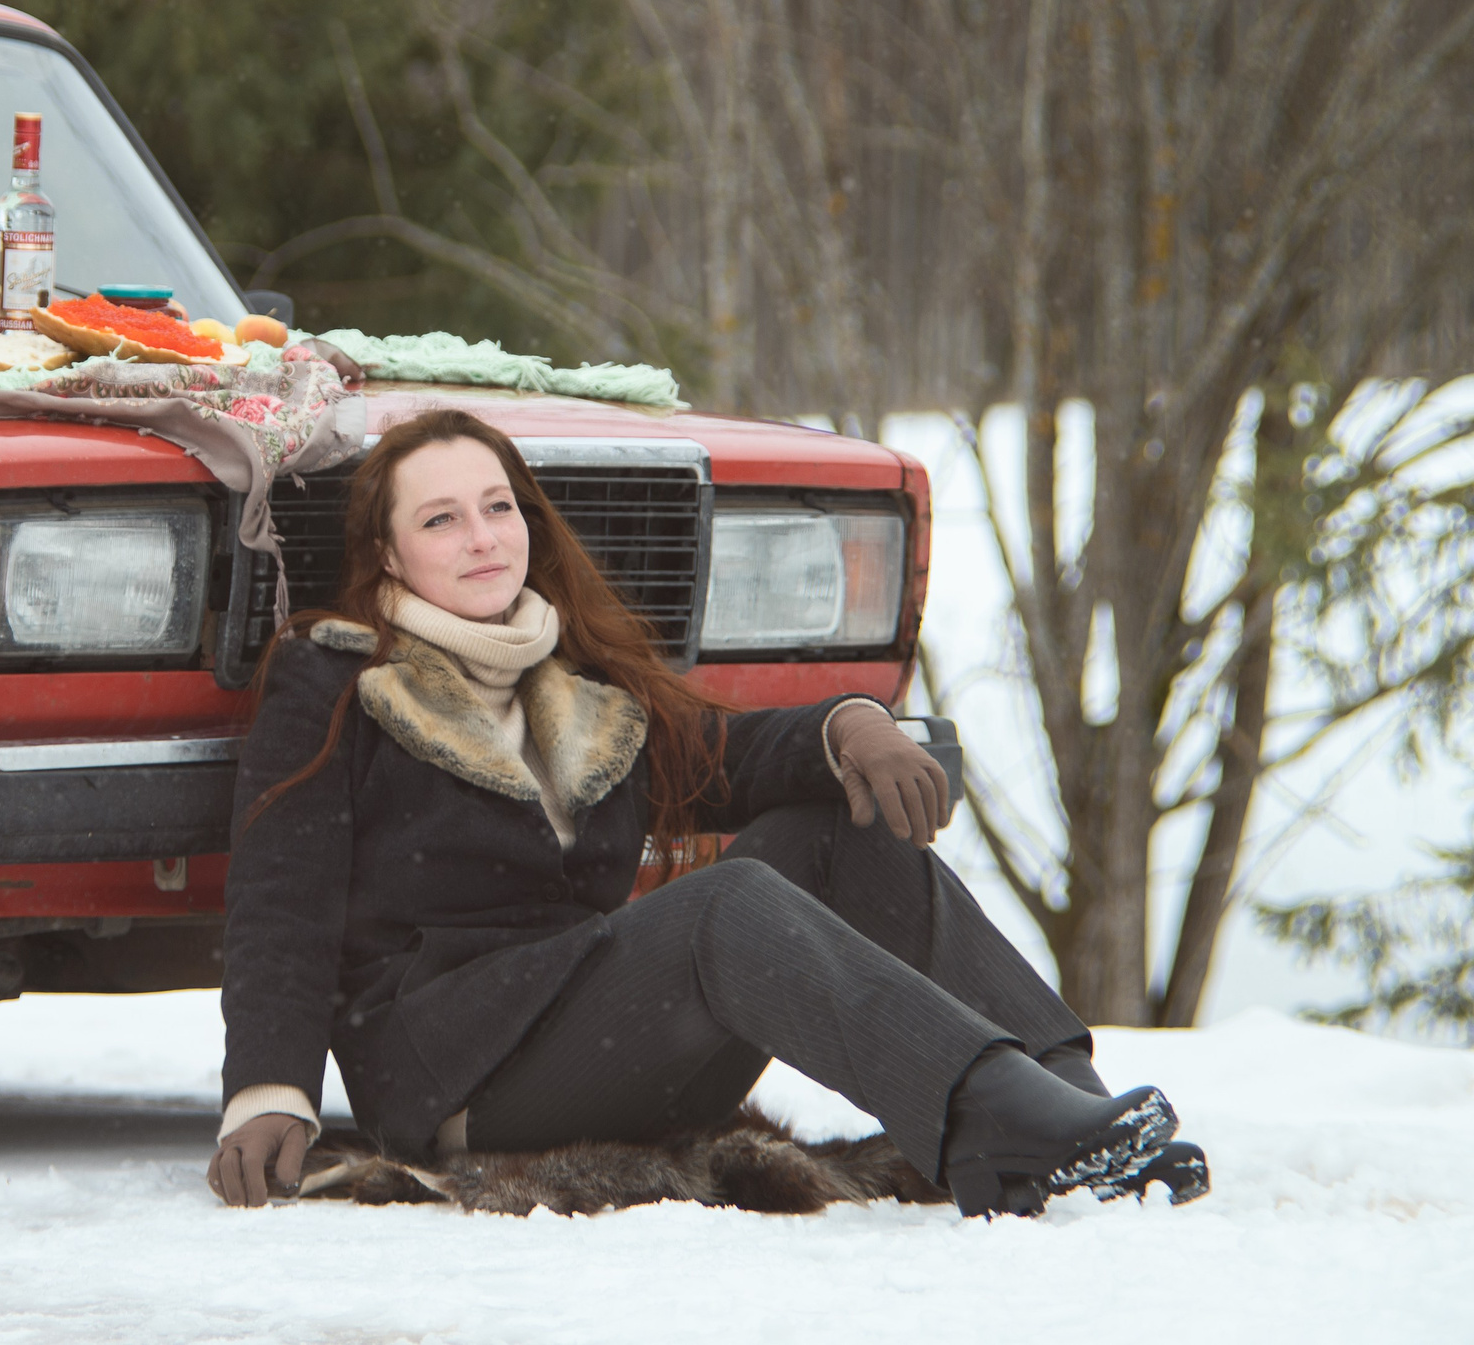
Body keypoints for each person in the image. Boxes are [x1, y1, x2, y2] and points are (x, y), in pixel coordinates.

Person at [209, 408, 1205, 1217]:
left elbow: (727, 757)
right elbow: (278, 902)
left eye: (497, 506)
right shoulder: (336, 678)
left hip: (603, 1031)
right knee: (725, 903)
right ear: (385, 557)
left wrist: (851, 726)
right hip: (453, 1068)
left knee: (830, 823)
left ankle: (1068, 1095)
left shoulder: (582, 677)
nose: (481, 536)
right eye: (439, 519)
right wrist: (268, 1088)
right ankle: (986, 1119)